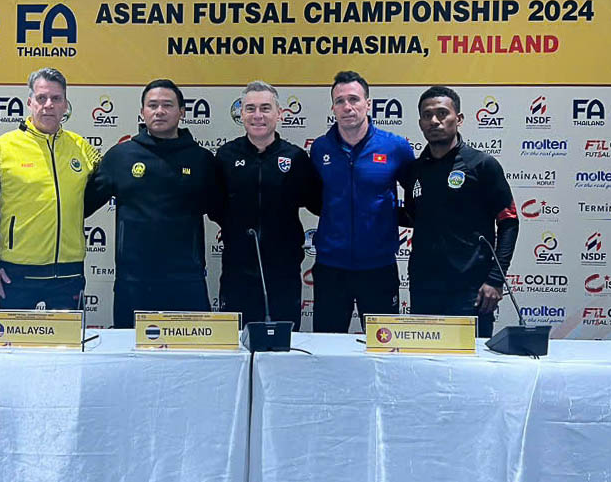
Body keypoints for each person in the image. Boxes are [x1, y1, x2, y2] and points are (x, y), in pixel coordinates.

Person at [84, 79, 218, 328]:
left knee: (195, 361)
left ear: (182, 112)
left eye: (167, 105)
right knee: (133, 361)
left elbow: (226, 213)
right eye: (152, 105)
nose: (159, 111)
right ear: (142, 112)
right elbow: (80, 207)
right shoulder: (120, 157)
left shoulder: (202, 160)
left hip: (187, 281)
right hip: (133, 282)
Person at [0, 67, 100, 309]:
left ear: (65, 105)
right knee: (11, 347)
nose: (48, 104)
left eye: (56, 98)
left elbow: (108, 184)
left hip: (68, 274)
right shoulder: (2, 148)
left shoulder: (82, 148)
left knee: (66, 346)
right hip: (16, 273)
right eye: (41, 98)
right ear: (30, 102)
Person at [402, 86, 519, 338]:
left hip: (471, 290)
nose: (434, 120)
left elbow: (509, 222)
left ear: (459, 119)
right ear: (420, 123)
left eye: (442, 113)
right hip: (424, 288)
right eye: (427, 115)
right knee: (424, 366)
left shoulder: (482, 165)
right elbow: (413, 216)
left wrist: (495, 279)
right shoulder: (414, 170)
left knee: (473, 371)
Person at [309, 71, 415, 333]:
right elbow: (314, 198)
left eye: (354, 99)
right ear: (333, 107)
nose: (347, 107)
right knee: (327, 348)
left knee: (383, 349)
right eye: (340, 101)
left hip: (378, 267)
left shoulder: (396, 147)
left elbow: (418, 194)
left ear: (368, 104)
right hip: (331, 267)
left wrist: (393, 215)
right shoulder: (320, 148)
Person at [215, 81, 320, 329]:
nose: (258, 115)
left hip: (282, 272)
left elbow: (315, 202)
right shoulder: (225, 156)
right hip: (237, 271)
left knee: (282, 346)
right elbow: (215, 207)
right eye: (250, 108)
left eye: (265, 108)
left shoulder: (296, 157)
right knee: (236, 347)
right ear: (241, 114)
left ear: (279, 114)